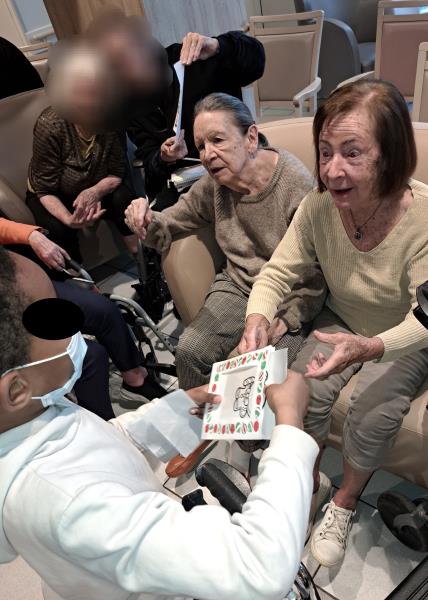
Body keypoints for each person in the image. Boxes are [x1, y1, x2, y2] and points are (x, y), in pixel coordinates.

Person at [0, 245, 318, 600]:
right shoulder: (70, 506)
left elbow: (99, 443)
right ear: (16, 389)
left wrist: (178, 408)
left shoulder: (31, 414)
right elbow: (260, 568)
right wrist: (290, 424)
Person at [239, 79, 428, 568]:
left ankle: (344, 501)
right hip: (340, 319)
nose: (332, 170)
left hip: (401, 334)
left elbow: (425, 318)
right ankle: (309, 482)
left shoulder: (423, 217)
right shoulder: (318, 208)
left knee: (371, 416)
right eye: (325, 152)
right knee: (302, 393)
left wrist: (371, 348)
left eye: (352, 153)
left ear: (389, 156)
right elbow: (277, 272)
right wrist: (257, 318)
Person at [125, 93, 327, 390]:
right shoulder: (214, 184)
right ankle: (202, 420)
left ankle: (251, 423)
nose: (207, 155)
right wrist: (144, 218)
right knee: (190, 352)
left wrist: (285, 321)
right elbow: (170, 223)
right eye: (201, 146)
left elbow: (317, 275)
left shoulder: (295, 186)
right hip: (238, 285)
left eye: (217, 140)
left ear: (251, 138)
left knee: (261, 379)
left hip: (289, 295)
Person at [88, 11, 265, 207]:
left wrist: (218, 46)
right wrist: (164, 157)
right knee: (157, 218)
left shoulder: (190, 57)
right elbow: (149, 160)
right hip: (186, 180)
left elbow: (257, 61)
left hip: (234, 162)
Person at [0, 217, 166, 413]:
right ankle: (104, 423)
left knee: (104, 310)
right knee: (88, 356)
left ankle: (135, 378)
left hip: (12, 286)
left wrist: (31, 235)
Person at [26, 44, 138, 263]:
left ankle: (144, 261)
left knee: (124, 197)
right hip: (52, 192)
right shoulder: (50, 125)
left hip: (97, 182)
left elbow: (117, 171)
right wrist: (69, 219)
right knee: (56, 228)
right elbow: (44, 189)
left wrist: (94, 192)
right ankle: (77, 277)